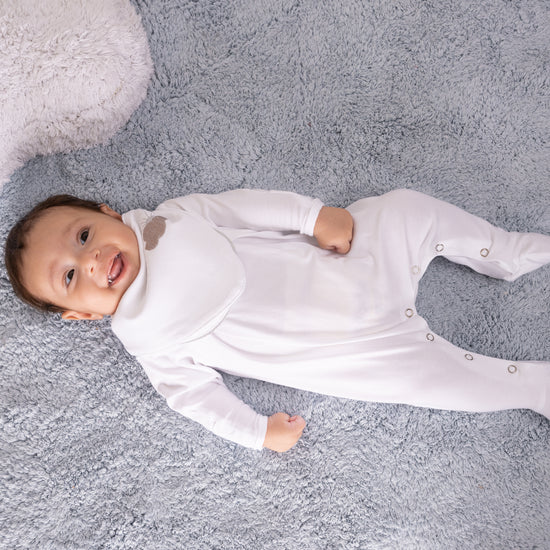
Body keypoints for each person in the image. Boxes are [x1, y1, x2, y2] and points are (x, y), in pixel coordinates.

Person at [5, 188, 550, 452]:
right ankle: (530, 385)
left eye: (84, 236)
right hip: (355, 350)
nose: (92, 260)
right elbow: (196, 399)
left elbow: (246, 207)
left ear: (106, 212)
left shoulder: (172, 218)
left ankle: (504, 251)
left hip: (349, 260)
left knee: (407, 210)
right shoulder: (148, 340)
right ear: (81, 314)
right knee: (435, 382)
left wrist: (312, 217)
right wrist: (257, 431)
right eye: (70, 275)